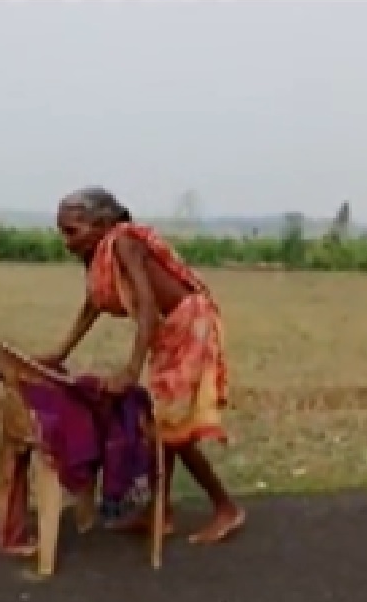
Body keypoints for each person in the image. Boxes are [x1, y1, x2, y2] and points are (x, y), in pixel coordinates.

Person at [38, 186, 245, 545]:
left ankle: (225, 508)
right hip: (169, 330)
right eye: (62, 232)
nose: (66, 242)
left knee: (173, 429)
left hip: (188, 323)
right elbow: (92, 305)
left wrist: (130, 371)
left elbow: (147, 307)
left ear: (101, 223)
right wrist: (60, 352)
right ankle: (160, 513)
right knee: (164, 424)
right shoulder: (100, 254)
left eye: (72, 231)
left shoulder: (123, 243)